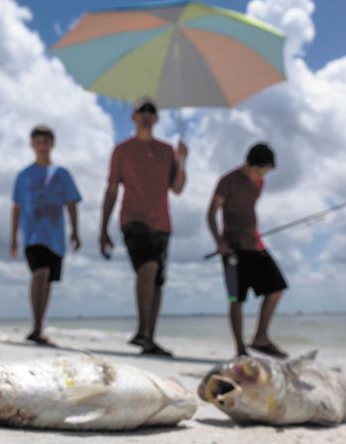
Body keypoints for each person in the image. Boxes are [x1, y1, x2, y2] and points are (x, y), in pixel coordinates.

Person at [99, 97, 188, 356]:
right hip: (133, 220)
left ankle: (149, 338)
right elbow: (112, 189)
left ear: (157, 118)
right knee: (148, 267)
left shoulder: (167, 150)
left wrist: (182, 161)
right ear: (133, 117)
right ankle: (141, 330)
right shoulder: (122, 150)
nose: (147, 114)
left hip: (162, 223)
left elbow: (178, 188)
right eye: (142, 111)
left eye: (152, 110)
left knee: (158, 281)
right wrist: (103, 228)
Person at [206, 142, 288, 358]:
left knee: (277, 287)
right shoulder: (227, 181)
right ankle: (240, 349)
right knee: (236, 299)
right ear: (248, 163)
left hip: (255, 244)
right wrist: (219, 243)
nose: (261, 176)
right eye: (259, 170)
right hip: (232, 249)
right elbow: (211, 213)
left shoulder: (259, 184)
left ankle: (261, 337)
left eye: (265, 172)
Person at [11, 124, 82, 346]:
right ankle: (36, 326)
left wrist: (76, 231)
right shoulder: (24, 175)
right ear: (32, 145)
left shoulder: (61, 174)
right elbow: (16, 207)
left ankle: (39, 327)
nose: (42, 146)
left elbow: (71, 203)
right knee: (39, 273)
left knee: (48, 280)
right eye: (38, 142)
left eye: (46, 142)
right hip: (32, 235)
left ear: (52, 144)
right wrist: (13, 237)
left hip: (55, 237)